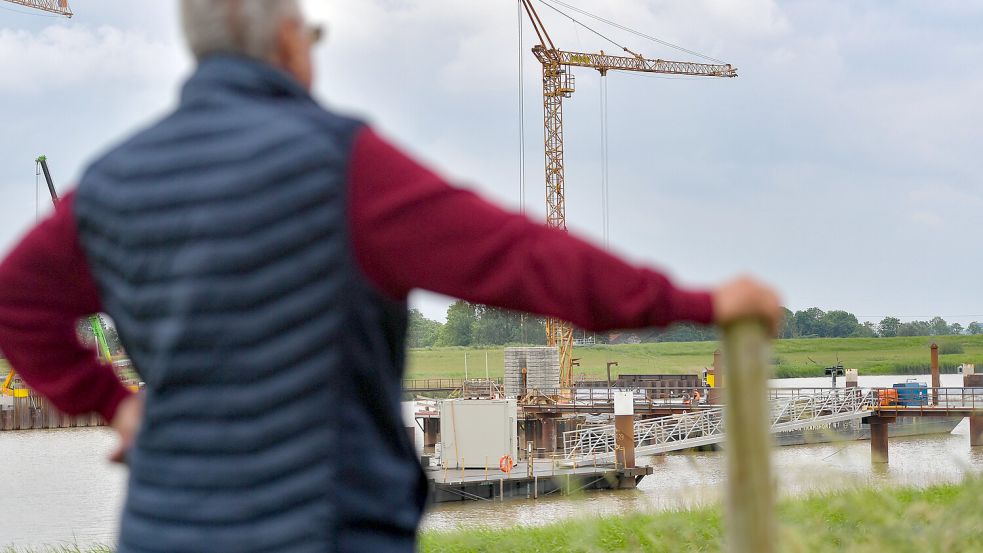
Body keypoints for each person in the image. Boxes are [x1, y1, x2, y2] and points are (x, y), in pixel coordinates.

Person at [0, 1, 782, 552]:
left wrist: (110, 404)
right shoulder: (341, 164)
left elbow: (16, 298)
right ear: (287, 40)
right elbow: (524, 259)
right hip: (326, 522)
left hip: (164, 528)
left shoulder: (114, 180)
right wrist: (699, 302)